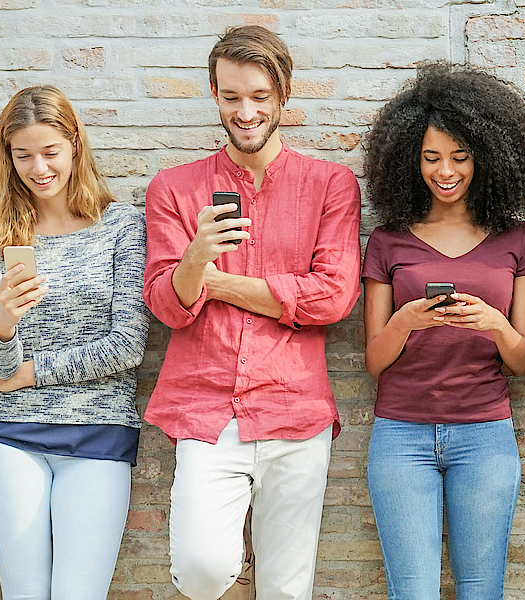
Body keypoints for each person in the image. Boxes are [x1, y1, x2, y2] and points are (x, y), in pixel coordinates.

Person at [142, 25, 362, 600]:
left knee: (288, 588)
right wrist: (196, 258)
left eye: (260, 97)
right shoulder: (174, 188)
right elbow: (167, 303)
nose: (246, 111)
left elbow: (332, 298)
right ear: (214, 93)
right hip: (207, 407)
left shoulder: (330, 185)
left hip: (296, 408)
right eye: (232, 96)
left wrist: (220, 283)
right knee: (202, 569)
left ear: (283, 96)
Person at [359, 62, 525, 600]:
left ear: (486, 158)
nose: (446, 171)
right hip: (401, 434)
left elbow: (522, 360)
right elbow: (374, 360)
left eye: (460, 158)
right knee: (411, 591)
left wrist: (492, 322)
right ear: (408, 160)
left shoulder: (518, 240)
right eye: (431, 158)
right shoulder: (389, 242)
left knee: (481, 590)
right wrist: (405, 320)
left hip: (485, 435)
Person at [0, 84, 148, 600]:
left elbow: (127, 345)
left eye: (50, 152)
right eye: (23, 156)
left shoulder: (121, 226)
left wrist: (33, 372)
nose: (39, 168)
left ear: (74, 146)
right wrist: (4, 319)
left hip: (97, 432)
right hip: (6, 434)